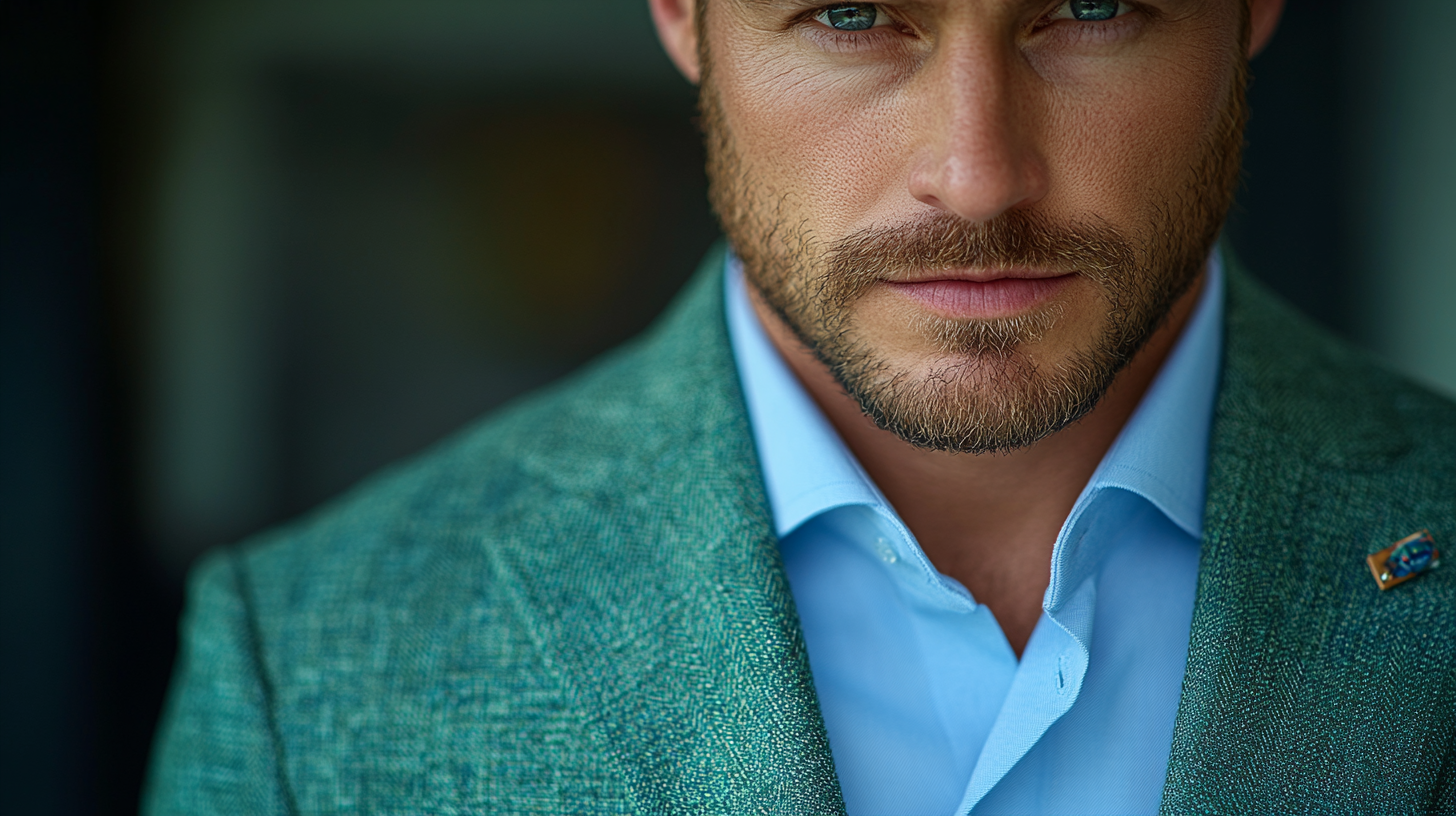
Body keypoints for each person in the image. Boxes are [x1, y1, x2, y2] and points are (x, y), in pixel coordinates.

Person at [144, 0, 1456, 813]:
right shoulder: (311, 668)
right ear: (679, 10)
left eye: (1094, 6)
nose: (978, 175)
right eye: (847, 13)